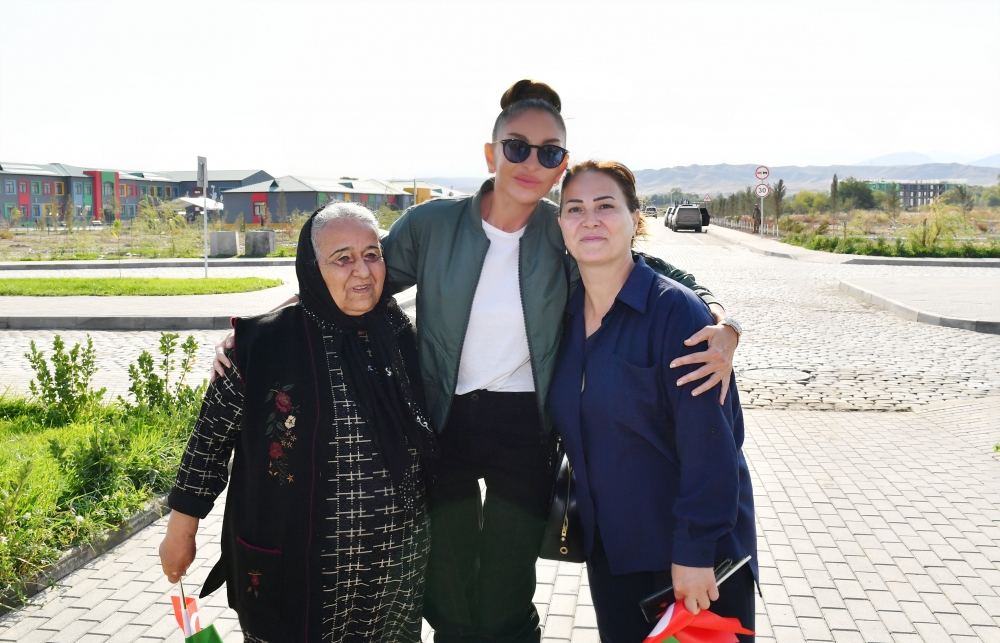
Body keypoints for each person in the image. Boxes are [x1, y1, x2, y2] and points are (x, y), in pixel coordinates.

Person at [212, 80, 743, 642]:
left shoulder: (561, 230)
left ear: (561, 164)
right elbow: (350, 280)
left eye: (550, 152)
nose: (531, 162)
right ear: (492, 154)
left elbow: (656, 273)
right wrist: (265, 329)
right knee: (447, 581)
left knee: (507, 586)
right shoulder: (433, 225)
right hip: (445, 423)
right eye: (517, 147)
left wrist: (725, 324)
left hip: (526, 429)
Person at [159, 203, 437, 642]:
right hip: (292, 572)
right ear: (312, 268)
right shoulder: (261, 346)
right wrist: (181, 531)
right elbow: (208, 445)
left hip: (391, 578)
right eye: (342, 258)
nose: (362, 271)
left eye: (372, 254)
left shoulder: (401, 337)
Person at [549, 161, 756, 643]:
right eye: (574, 209)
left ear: (634, 218)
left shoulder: (676, 313)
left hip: (688, 560)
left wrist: (695, 550)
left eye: (606, 206)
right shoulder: (563, 315)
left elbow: (712, 446)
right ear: (560, 225)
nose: (590, 219)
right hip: (614, 558)